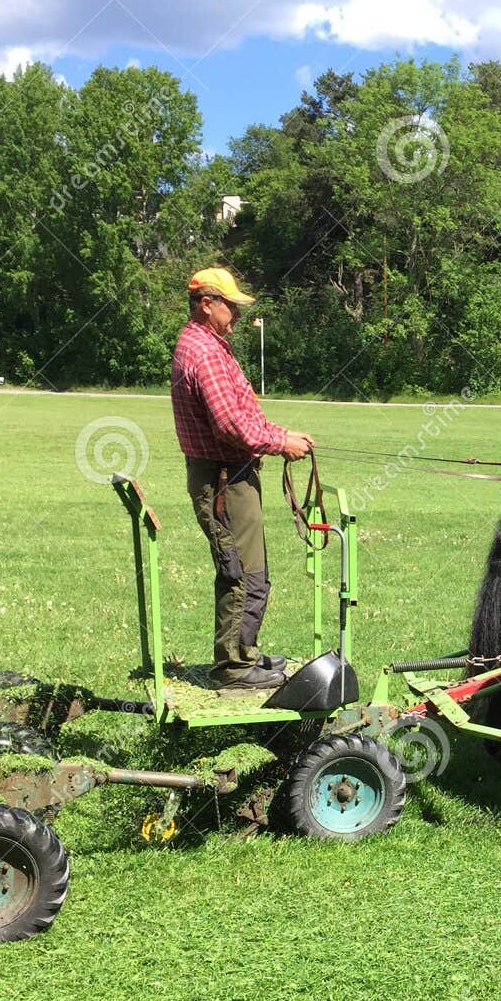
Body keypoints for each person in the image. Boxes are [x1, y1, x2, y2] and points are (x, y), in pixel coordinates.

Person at [170, 267, 314, 690]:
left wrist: (278, 434)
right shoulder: (204, 353)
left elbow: (242, 412)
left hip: (229, 475)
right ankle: (233, 669)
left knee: (250, 570)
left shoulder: (209, 345)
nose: (235, 312)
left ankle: (243, 654)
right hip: (224, 481)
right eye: (229, 304)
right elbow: (232, 426)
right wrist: (280, 441)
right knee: (242, 574)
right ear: (206, 304)